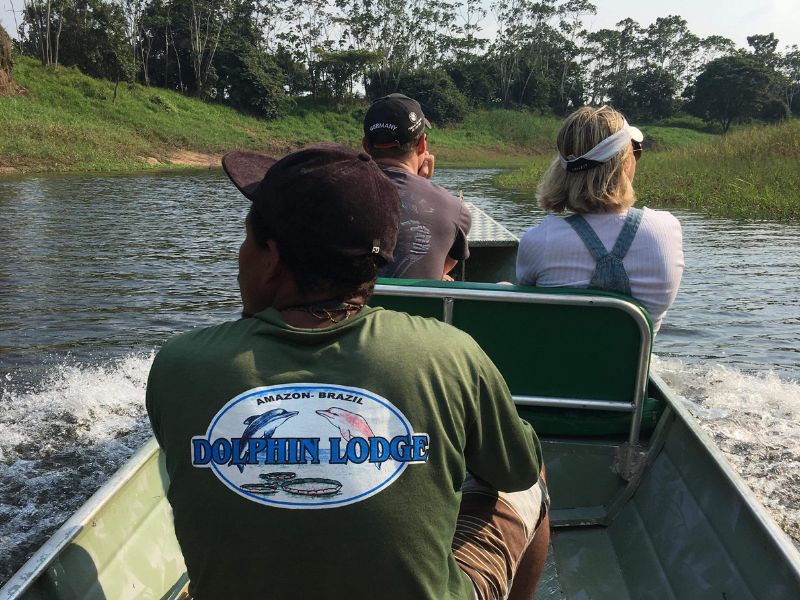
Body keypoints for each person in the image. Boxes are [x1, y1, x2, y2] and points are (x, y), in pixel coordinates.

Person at [146, 143, 550, 599]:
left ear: (272, 258)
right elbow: (516, 471)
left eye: (246, 240)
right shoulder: (450, 354)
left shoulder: (179, 364)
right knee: (532, 482)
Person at [516, 105, 684, 332]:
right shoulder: (666, 231)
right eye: (636, 151)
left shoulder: (539, 241)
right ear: (625, 164)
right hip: (633, 368)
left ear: (563, 171)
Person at [362, 93, 472, 280]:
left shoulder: (337, 192)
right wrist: (422, 185)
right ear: (422, 144)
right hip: (418, 308)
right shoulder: (455, 208)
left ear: (366, 146)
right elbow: (441, 267)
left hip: (350, 307)